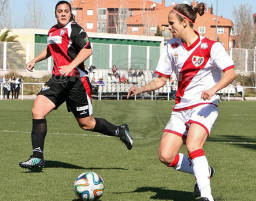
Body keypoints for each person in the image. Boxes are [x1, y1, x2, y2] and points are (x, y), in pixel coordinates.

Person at [127, 3, 235, 201]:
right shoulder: (170, 47)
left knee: (193, 144)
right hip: (180, 108)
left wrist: (212, 90)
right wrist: (140, 88)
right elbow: (161, 79)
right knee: (166, 156)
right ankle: (205, 171)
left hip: (205, 105)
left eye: (171, 24)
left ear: (185, 22)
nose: (169, 28)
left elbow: (230, 73)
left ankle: (206, 196)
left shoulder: (211, 46)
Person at [19, 1, 133, 170]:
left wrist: (71, 66)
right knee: (37, 110)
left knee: (86, 124)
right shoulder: (52, 30)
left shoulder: (75, 29)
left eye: (66, 11)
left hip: (76, 82)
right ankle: (37, 157)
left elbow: (87, 50)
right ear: (55, 13)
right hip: (58, 80)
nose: (63, 14)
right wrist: (35, 60)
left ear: (70, 13)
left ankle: (119, 131)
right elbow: (51, 49)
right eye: (60, 11)